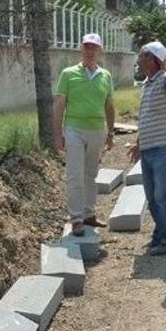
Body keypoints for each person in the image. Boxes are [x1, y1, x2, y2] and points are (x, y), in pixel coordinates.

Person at [53, 33, 116, 236]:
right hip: (74, 129)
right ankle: (77, 217)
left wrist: (111, 132)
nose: (90, 51)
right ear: (81, 50)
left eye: (94, 47)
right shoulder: (68, 74)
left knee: (91, 174)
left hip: (97, 130)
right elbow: (60, 105)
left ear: (100, 51)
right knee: (75, 174)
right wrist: (58, 135)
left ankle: (89, 213)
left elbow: (109, 105)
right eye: (86, 47)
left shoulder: (105, 76)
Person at [128, 41, 166, 256]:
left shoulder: (164, 79)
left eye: (143, 55)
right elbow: (145, 117)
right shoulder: (146, 84)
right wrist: (138, 144)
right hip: (148, 149)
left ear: (153, 59)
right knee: (152, 197)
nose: (139, 58)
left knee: (163, 196)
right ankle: (161, 233)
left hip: (164, 148)